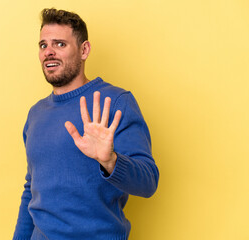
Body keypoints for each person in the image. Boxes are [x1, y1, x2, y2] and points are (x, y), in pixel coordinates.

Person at [13, 8, 159, 240]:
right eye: (43, 45)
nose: (49, 52)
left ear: (84, 50)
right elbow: (32, 191)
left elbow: (148, 182)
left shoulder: (117, 102)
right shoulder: (36, 114)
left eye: (60, 44)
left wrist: (110, 161)